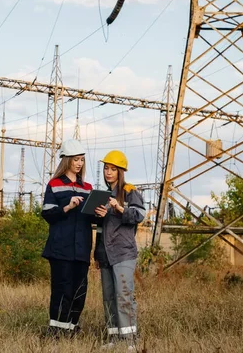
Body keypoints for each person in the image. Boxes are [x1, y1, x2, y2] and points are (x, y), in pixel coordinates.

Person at [41, 139, 94, 338]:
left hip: (81, 249)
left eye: (82, 160)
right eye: (76, 160)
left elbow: (92, 218)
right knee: (62, 290)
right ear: (66, 160)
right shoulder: (54, 184)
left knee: (79, 290)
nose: (79, 163)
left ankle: (72, 328)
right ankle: (55, 330)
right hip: (60, 248)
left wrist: (99, 212)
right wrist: (67, 207)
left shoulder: (88, 187)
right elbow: (47, 214)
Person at [94, 150, 146, 350]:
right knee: (108, 296)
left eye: (113, 169)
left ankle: (130, 340)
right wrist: (97, 253)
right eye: (106, 168)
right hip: (106, 253)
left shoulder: (129, 191)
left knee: (124, 294)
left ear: (121, 171)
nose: (108, 172)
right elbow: (100, 229)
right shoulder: (103, 195)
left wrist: (119, 208)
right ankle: (114, 338)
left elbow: (140, 215)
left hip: (123, 252)